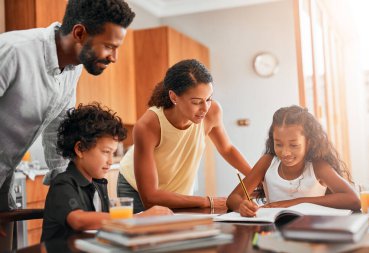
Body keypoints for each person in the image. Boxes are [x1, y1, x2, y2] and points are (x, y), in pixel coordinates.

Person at [0, 0, 135, 211]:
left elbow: (57, 131)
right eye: (109, 46)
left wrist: (65, 188)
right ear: (79, 33)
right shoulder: (13, 51)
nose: (114, 58)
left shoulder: (73, 68)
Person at [118, 59, 252, 213]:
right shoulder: (148, 125)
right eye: (196, 102)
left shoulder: (212, 112)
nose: (205, 108)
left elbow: (227, 149)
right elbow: (150, 198)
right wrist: (208, 201)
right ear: (174, 97)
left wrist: (257, 178)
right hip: (136, 191)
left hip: (178, 192)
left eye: (208, 99)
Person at [41, 103, 172, 241]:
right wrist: (137, 218)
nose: (111, 160)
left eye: (113, 153)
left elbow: (107, 223)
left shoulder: (98, 184)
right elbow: (78, 220)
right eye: (106, 152)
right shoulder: (63, 183)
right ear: (80, 149)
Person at [227, 105, 361, 217]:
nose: (285, 152)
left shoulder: (317, 166)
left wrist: (295, 202)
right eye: (278, 144)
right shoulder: (268, 162)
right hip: (273, 230)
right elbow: (233, 198)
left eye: (294, 145)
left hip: (311, 230)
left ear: (309, 142)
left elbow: (353, 200)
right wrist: (241, 206)